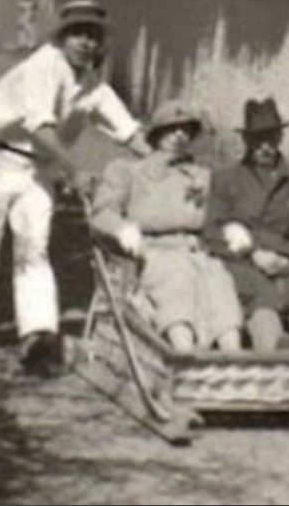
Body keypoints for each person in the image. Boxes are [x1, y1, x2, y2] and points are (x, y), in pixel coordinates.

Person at [0, 0, 150, 376]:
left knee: (34, 249)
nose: (85, 42)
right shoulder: (45, 64)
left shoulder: (94, 87)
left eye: (93, 36)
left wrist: (168, 159)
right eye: (77, 33)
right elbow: (39, 128)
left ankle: (37, 335)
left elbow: (130, 133)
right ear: (62, 36)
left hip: (38, 172)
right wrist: (74, 171)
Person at [90, 101, 242, 353]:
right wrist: (123, 230)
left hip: (197, 251)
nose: (180, 135)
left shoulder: (201, 175)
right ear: (157, 134)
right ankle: (183, 352)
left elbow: (218, 215)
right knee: (175, 274)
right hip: (151, 251)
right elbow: (102, 212)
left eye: (186, 130)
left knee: (219, 279)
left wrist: (231, 228)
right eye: (172, 129)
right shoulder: (128, 171)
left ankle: (232, 358)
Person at [204, 99, 289, 352]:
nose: (265, 146)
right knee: (265, 315)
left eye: (271, 138)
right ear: (246, 141)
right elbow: (212, 233)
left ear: (280, 137)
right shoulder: (226, 180)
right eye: (258, 139)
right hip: (247, 267)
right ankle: (277, 367)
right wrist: (252, 251)